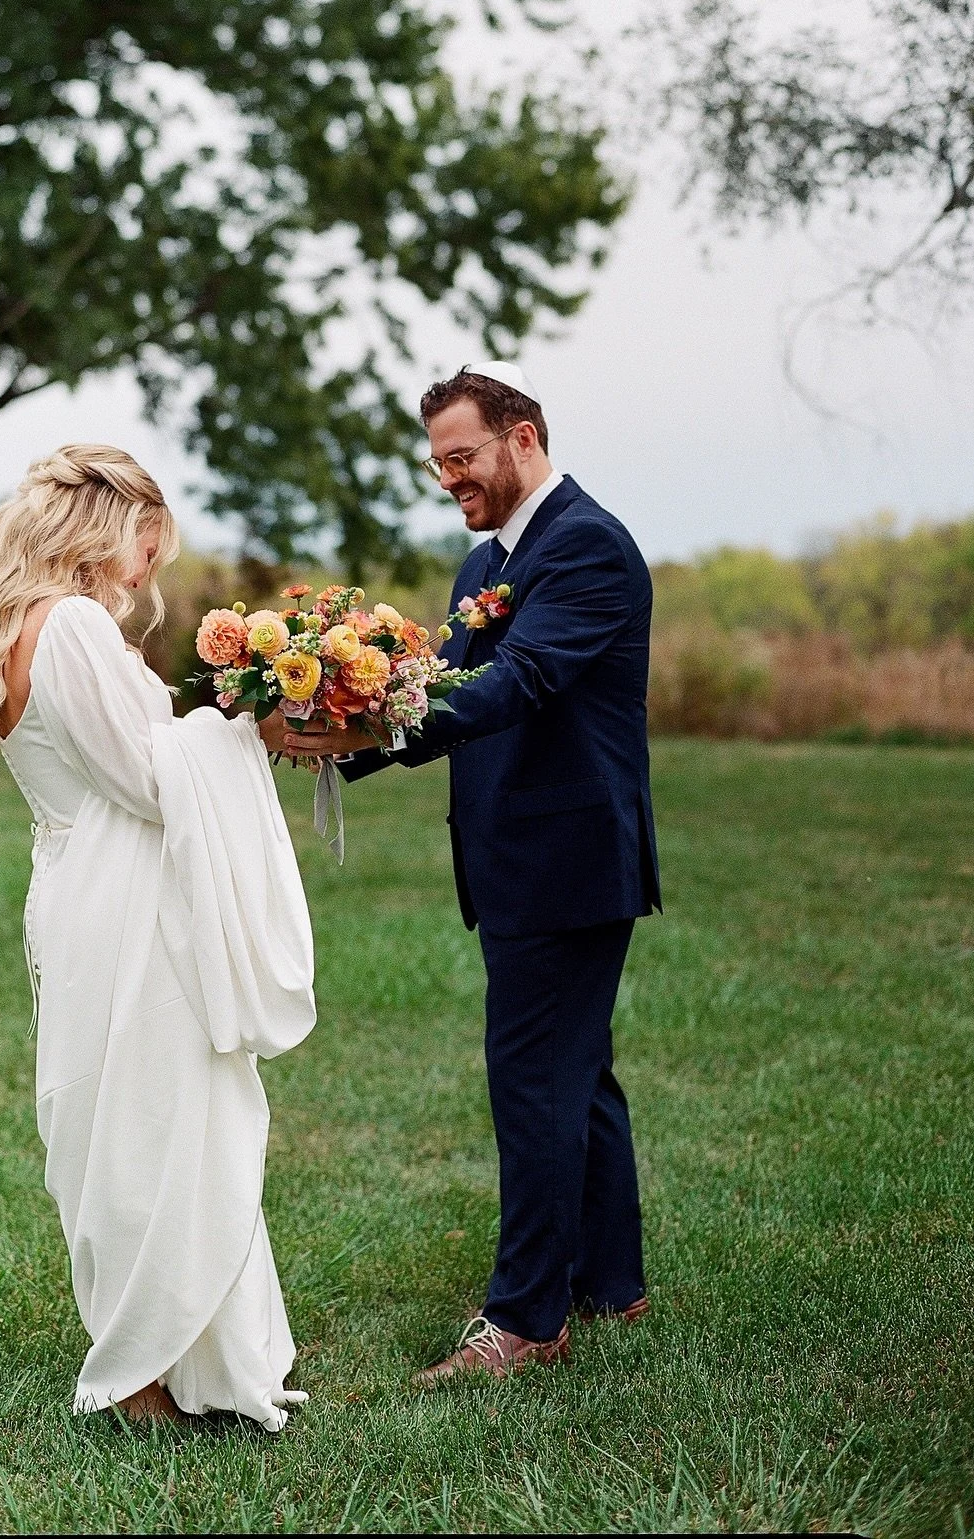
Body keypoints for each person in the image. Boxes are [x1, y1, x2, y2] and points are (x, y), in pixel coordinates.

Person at [284, 363, 661, 1386]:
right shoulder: (484, 562)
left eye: (463, 456)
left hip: (567, 858)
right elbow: (450, 693)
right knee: (576, 1077)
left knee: (535, 1084)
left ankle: (527, 1321)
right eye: (437, 463)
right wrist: (342, 740)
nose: (449, 478)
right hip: (517, 859)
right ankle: (607, 1282)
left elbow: (521, 681)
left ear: (523, 437)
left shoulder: (585, 546)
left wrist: (376, 718)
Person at [0, 444, 314, 1429]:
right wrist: (244, 726)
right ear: (110, 535)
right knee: (145, 1126)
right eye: (151, 545)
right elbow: (149, 781)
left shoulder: (41, 626)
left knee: (133, 1120)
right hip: (121, 903)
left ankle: (181, 1363)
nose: (152, 570)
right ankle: (140, 1373)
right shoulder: (66, 628)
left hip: (87, 885)